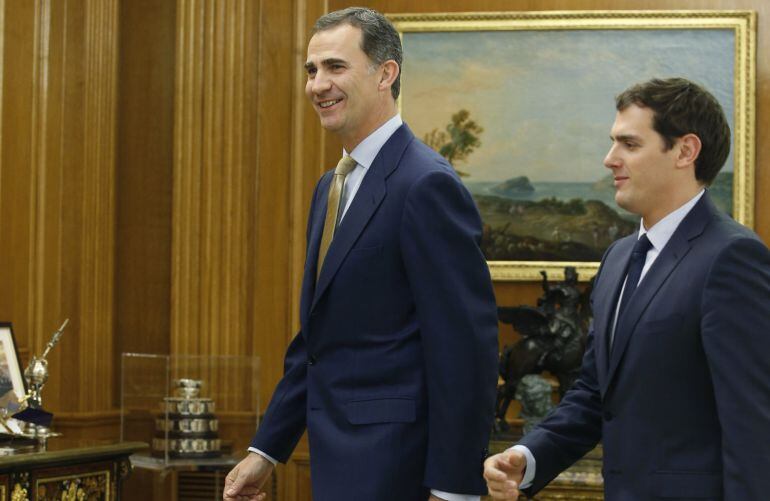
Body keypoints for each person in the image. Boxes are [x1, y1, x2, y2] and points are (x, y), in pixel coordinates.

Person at [224, 7, 499, 501]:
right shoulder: (331, 186)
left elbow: (465, 349)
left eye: (335, 67)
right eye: (311, 70)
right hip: (335, 463)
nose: (317, 85)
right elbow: (318, 342)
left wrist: (455, 489)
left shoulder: (426, 184)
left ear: (385, 74)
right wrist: (265, 451)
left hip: (399, 467)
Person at [484, 77, 770, 500]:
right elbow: (597, 394)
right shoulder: (617, 258)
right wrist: (529, 456)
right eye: (613, 143)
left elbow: (754, 429)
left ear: (685, 151)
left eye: (629, 145)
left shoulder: (733, 258)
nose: (609, 159)